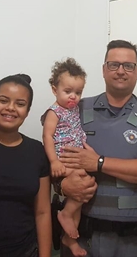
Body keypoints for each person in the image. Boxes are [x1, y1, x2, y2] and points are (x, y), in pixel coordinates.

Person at [57, 40, 137, 257]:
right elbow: (54, 157)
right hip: (80, 237)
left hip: (131, 241)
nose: (121, 71)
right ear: (104, 69)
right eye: (114, 65)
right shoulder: (77, 108)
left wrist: (99, 162)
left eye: (128, 66)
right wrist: (62, 186)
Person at [0, 74, 51, 257]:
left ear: (27, 111)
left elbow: (43, 212)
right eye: (4, 100)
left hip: (25, 251)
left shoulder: (37, 150)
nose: (11, 108)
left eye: (20, 104)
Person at [41, 58, 88, 257]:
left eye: (78, 92)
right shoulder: (54, 112)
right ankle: (65, 214)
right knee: (85, 181)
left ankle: (70, 238)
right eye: (68, 91)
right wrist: (54, 161)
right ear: (55, 90)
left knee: (81, 195)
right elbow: (47, 136)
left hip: (75, 158)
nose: (73, 96)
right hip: (63, 160)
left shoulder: (74, 108)